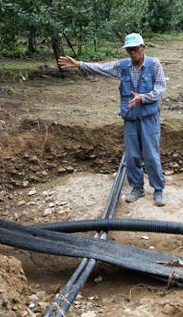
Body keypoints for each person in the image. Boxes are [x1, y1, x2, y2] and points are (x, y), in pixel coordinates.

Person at [57, 33, 167, 206]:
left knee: (151, 155)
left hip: (148, 118)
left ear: (142, 48)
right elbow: (102, 68)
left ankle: (158, 190)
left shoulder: (154, 64)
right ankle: (137, 188)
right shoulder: (122, 66)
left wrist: (143, 97)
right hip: (130, 118)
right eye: (129, 50)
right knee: (132, 156)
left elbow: (160, 88)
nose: (132, 53)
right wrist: (79, 64)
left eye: (135, 49)